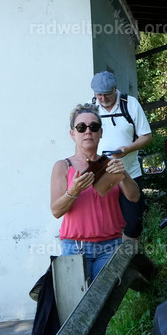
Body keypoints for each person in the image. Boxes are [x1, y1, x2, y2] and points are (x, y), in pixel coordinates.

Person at [50, 104, 139, 282]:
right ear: (72, 134)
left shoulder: (111, 164)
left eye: (94, 127)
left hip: (110, 246)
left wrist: (124, 174)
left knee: (105, 304)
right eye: (81, 127)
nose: (88, 132)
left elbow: (134, 197)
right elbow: (56, 211)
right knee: (77, 305)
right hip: (75, 247)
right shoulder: (62, 166)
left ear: (101, 132)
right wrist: (74, 191)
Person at [91, 71, 152, 238]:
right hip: (101, 174)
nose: (102, 99)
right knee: (103, 221)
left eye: (106, 95)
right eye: (98, 95)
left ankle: (130, 257)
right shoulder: (91, 107)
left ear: (115, 89)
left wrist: (128, 149)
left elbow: (146, 136)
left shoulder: (130, 104)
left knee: (133, 223)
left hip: (130, 172)